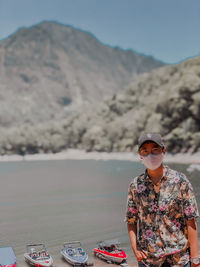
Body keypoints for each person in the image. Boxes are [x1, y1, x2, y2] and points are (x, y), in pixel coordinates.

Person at [125, 133, 199, 267]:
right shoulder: (135, 185)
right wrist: (135, 248)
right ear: (140, 155)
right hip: (148, 261)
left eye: (155, 150)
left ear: (163, 151)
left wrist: (195, 258)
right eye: (145, 151)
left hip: (179, 260)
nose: (150, 155)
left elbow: (191, 220)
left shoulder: (180, 181)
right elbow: (131, 220)